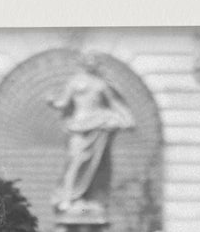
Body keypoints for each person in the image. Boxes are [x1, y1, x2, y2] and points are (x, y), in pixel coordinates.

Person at [48, 52, 135, 214]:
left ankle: (87, 199)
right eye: (88, 60)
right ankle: (67, 199)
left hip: (98, 125)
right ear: (83, 63)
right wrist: (53, 101)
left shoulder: (101, 84)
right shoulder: (75, 82)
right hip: (79, 126)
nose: (91, 63)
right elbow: (63, 103)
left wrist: (127, 118)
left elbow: (114, 102)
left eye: (94, 61)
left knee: (95, 165)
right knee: (75, 162)